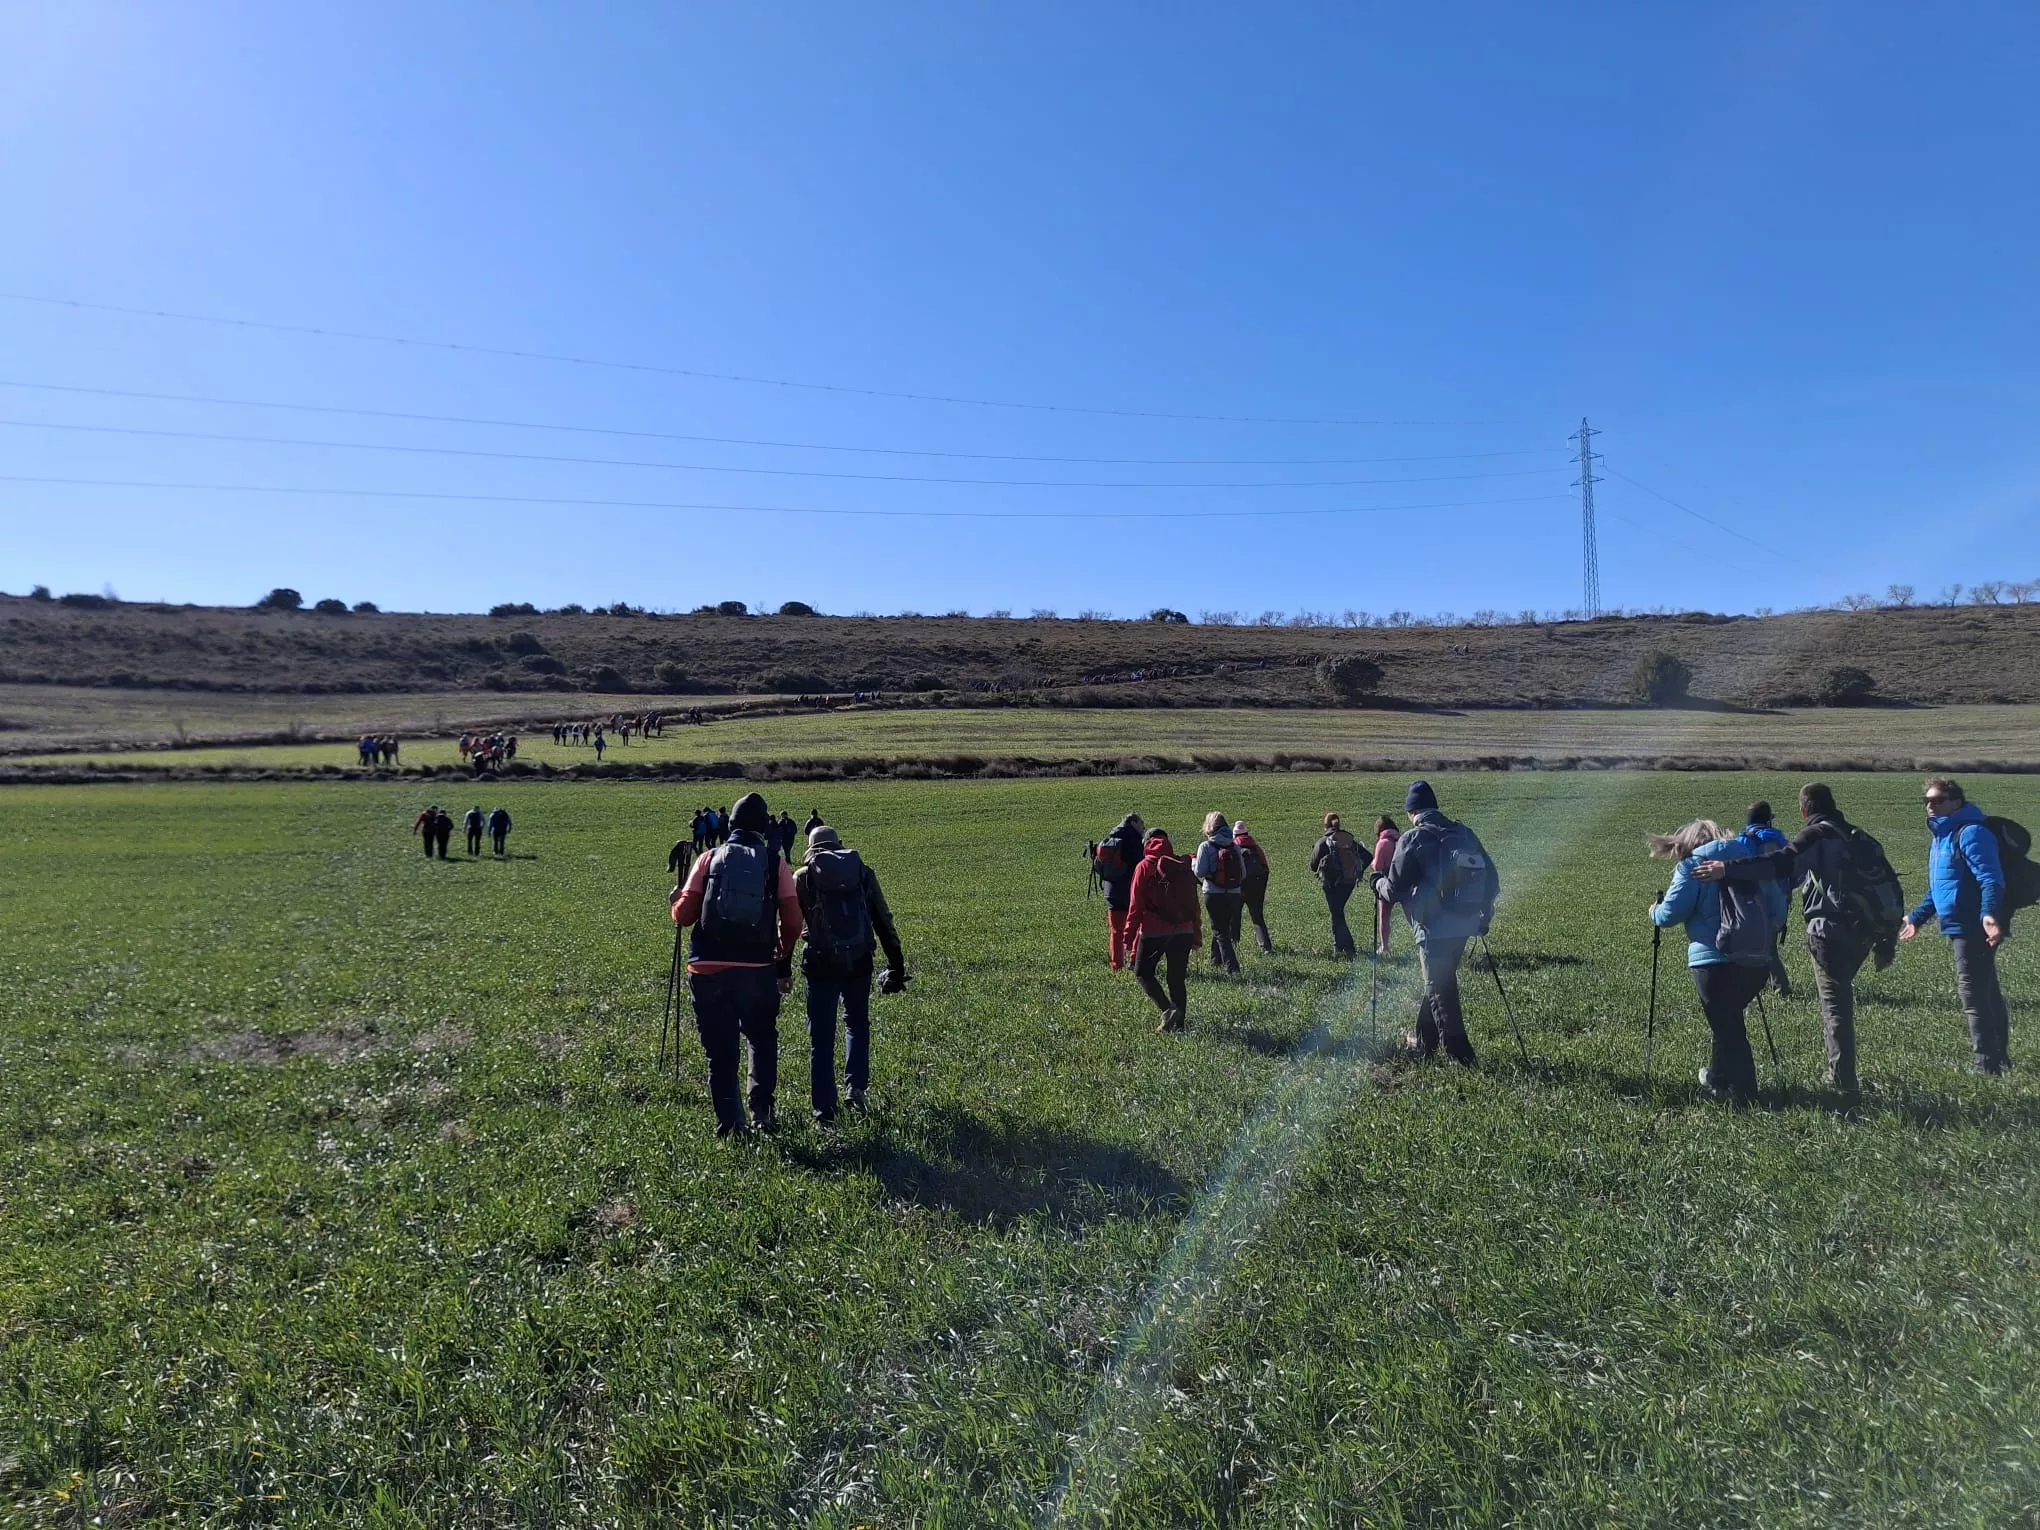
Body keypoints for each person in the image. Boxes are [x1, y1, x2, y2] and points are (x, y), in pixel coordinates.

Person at [1696, 783, 1900, 1094]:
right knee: (1840, 1000)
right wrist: (1886, 941)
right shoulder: (1859, 837)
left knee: (1835, 1006)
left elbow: (1781, 864)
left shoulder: (1819, 835)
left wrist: (1727, 869)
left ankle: (1843, 1080)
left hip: (1831, 932)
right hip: (1867, 933)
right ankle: (1842, 1074)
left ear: (1804, 809)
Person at [671, 791, 804, 1134]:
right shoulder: (776, 864)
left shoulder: (708, 858)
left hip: (707, 968)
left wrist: (675, 903)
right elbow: (792, 920)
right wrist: (781, 953)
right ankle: (762, 1113)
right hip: (757, 969)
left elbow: (685, 915)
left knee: (721, 1050)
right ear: (763, 827)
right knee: (761, 1037)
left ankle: (731, 1124)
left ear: (730, 824)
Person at [1376, 781, 1500, 1067]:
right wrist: (1484, 916)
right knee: (1439, 982)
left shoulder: (1413, 838)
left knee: (1439, 987)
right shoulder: (1463, 832)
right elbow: (1491, 879)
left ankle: (1462, 1057)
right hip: (1466, 922)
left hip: (1434, 926)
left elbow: (1394, 889)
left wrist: (1377, 882)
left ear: (1412, 811)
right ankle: (1423, 1041)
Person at [795, 824, 908, 1123]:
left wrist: (778, 964)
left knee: (820, 1037)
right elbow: (883, 920)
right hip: (859, 961)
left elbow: (791, 925)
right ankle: (856, 1089)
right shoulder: (862, 872)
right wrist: (896, 963)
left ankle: (823, 1111)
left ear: (811, 849)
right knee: (856, 1024)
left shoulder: (803, 878)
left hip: (819, 964)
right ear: (839, 845)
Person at [1649, 818, 1767, 1102]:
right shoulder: (1750, 861)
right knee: (1727, 1022)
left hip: (1712, 960)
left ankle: (1745, 1095)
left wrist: (1654, 911)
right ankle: (1719, 1078)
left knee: (1728, 1028)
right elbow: (1775, 906)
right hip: (1757, 958)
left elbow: (1670, 915)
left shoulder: (1692, 866)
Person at [1901, 776, 2011, 1075]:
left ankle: (1986, 1065)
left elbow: (1991, 879)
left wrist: (1989, 914)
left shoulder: (1971, 833)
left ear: (1956, 802)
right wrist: (1917, 917)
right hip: (1962, 922)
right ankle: (1998, 1058)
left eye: (1937, 800)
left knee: (1973, 994)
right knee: (1986, 990)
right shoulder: (1943, 836)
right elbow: (1941, 888)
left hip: (1974, 925)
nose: (1930, 806)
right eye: (1927, 801)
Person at [1125, 827, 1202, 1032]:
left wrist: (1128, 937)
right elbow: (1194, 904)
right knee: (1176, 978)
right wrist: (1196, 932)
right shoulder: (1182, 865)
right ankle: (1180, 1026)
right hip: (1184, 930)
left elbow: (1135, 906)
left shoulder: (1143, 867)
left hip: (1153, 931)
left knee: (1142, 972)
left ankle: (1167, 1010)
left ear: (1146, 844)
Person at [1740, 802, 1794, 998]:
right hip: (1778, 898)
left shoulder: (1743, 841)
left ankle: (1779, 988)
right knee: (1767, 945)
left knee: (1761, 947)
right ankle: (1775, 986)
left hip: (1752, 900)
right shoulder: (1779, 841)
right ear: (1767, 820)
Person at [1192, 812, 1246, 975]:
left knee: (1220, 930)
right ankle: (1215, 959)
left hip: (1213, 893)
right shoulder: (1234, 845)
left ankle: (1232, 967)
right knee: (1223, 926)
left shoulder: (1206, 846)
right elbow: (1243, 873)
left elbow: (1200, 872)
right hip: (1234, 893)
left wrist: (1195, 865)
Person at [1093, 813, 1146, 969]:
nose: (1143, 827)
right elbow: (1140, 864)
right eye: (1141, 823)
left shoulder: (1110, 840)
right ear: (1133, 822)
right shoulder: (1133, 841)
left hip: (1111, 892)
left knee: (1116, 931)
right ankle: (1134, 959)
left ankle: (1116, 964)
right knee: (1138, 926)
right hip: (1131, 891)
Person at [1307, 813, 1363, 959]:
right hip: (1349, 882)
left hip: (1331, 884)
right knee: (1337, 913)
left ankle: (1348, 948)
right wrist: (1356, 871)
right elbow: (1367, 856)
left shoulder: (1323, 842)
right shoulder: (1348, 839)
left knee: (1337, 914)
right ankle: (1339, 946)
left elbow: (1313, 865)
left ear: (1325, 825)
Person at [1233, 820, 1274, 953]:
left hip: (1239, 888)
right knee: (1257, 917)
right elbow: (1266, 869)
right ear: (1247, 833)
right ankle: (1266, 946)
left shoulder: (1233, 848)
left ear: (1235, 835)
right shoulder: (1256, 847)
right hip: (1256, 888)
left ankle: (1234, 945)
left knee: (1235, 917)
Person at [1370, 815, 1401, 956]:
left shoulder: (1382, 843)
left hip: (1387, 881)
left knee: (1384, 917)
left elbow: (1377, 866)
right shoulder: (1401, 839)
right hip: (1405, 881)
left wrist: (1372, 862)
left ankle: (1385, 947)